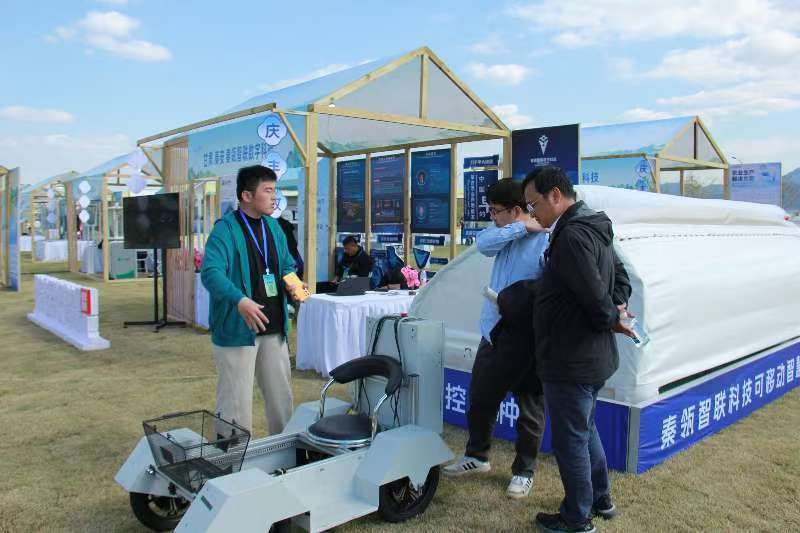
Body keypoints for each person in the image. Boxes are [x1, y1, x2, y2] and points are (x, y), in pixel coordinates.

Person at [522, 166, 633, 533]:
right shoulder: (594, 226)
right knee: (584, 429)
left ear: (555, 195)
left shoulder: (570, 235)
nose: (532, 214)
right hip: (592, 357)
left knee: (571, 440)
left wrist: (610, 315)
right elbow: (621, 280)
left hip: (571, 358)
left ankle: (576, 517)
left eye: (533, 204)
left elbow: (593, 296)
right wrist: (617, 307)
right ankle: (600, 498)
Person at [443, 178, 549, 499]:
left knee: (529, 407)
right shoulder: (506, 233)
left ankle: (524, 471)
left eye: (495, 211)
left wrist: (527, 228)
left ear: (515, 209)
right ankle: (477, 456)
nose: (492, 216)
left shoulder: (545, 238)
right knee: (481, 397)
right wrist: (520, 227)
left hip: (526, 336)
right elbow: (483, 244)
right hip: (492, 330)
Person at [201, 165, 301, 437]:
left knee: (281, 399)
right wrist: (240, 300)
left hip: (274, 327)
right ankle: (233, 457)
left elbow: (286, 265)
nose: (274, 196)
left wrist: (294, 285)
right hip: (238, 329)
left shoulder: (274, 227)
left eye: (275, 190)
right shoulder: (225, 230)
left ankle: (284, 451)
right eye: (268, 190)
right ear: (246, 195)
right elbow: (211, 273)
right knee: (235, 402)